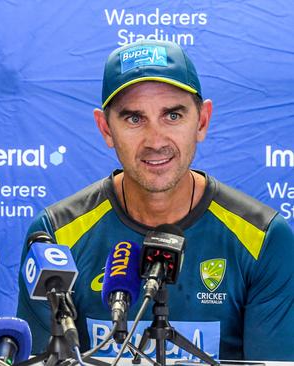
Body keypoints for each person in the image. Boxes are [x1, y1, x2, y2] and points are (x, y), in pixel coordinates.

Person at [17, 40, 294, 361]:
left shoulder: (264, 239)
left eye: (173, 115)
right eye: (134, 119)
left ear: (202, 121)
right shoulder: (55, 235)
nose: (156, 140)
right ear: (106, 129)